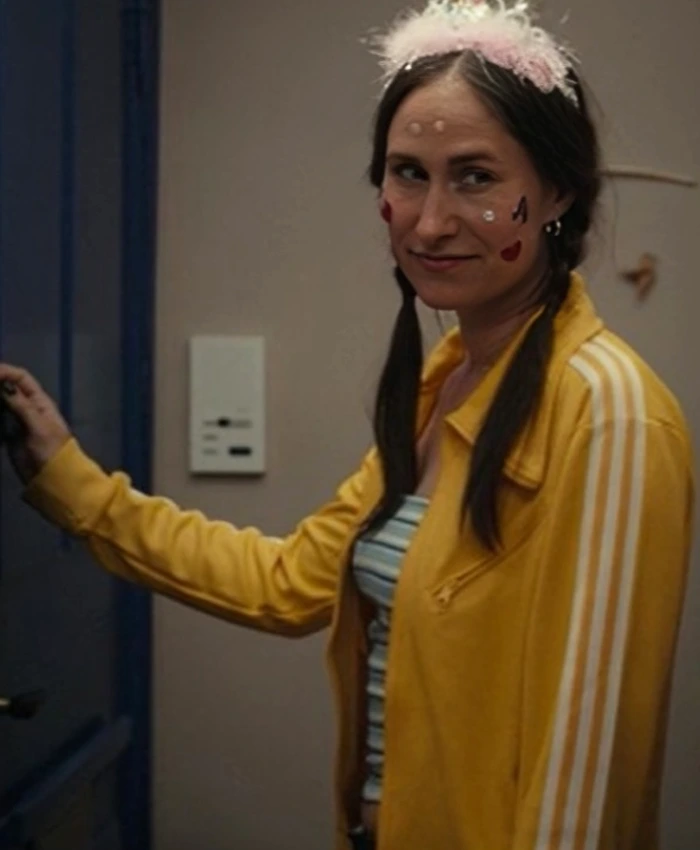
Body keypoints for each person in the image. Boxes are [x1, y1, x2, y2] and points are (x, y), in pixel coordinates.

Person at [0, 1, 694, 848]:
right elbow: (289, 581)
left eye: (475, 177)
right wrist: (67, 479)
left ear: (556, 193)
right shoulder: (447, 387)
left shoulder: (610, 413)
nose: (429, 221)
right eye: (407, 174)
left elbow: (587, 780)